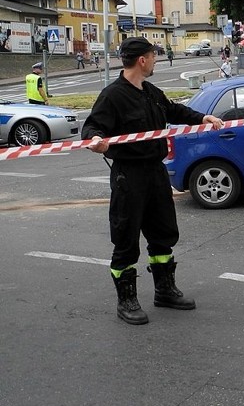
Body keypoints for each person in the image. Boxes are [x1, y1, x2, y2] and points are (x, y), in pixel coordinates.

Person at [82, 37, 225, 325]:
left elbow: (173, 111)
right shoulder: (112, 96)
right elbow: (92, 127)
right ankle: (127, 300)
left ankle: (165, 290)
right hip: (129, 175)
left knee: (163, 233)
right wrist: (95, 140)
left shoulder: (150, 91)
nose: (156, 60)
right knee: (126, 237)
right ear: (142, 60)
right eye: (153, 56)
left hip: (155, 172)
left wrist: (203, 117)